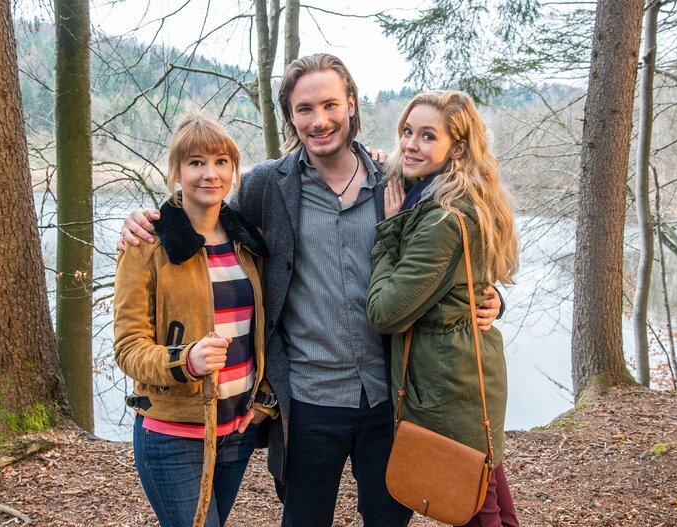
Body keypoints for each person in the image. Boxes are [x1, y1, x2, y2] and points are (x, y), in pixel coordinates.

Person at [119, 54, 503, 527]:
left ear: (351, 104)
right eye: (305, 109)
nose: (319, 121)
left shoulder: (397, 181)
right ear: (291, 116)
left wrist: (491, 299)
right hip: (306, 399)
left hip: (388, 394)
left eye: (329, 105)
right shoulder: (267, 185)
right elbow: (209, 214)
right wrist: (152, 218)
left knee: (388, 518)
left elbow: (452, 252)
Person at [113, 115, 278, 527]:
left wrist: (262, 402)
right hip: (173, 434)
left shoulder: (248, 242)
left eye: (222, 161)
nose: (210, 174)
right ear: (176, 172)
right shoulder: (147, 244)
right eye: (196, 162)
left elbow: (267, 330)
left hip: (236, 432)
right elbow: (128, 348)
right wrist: (185, 360)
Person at [366, 90, 519, 527]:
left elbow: (386, 312)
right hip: (466, 378)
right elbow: (466, 284)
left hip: (450, 385)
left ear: (457, 147)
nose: (411, 144)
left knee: (475, 510)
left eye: (427, 136)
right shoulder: (440, 195)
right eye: (407, 132)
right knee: (491, 503)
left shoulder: (443, 217)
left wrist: (388, 232)